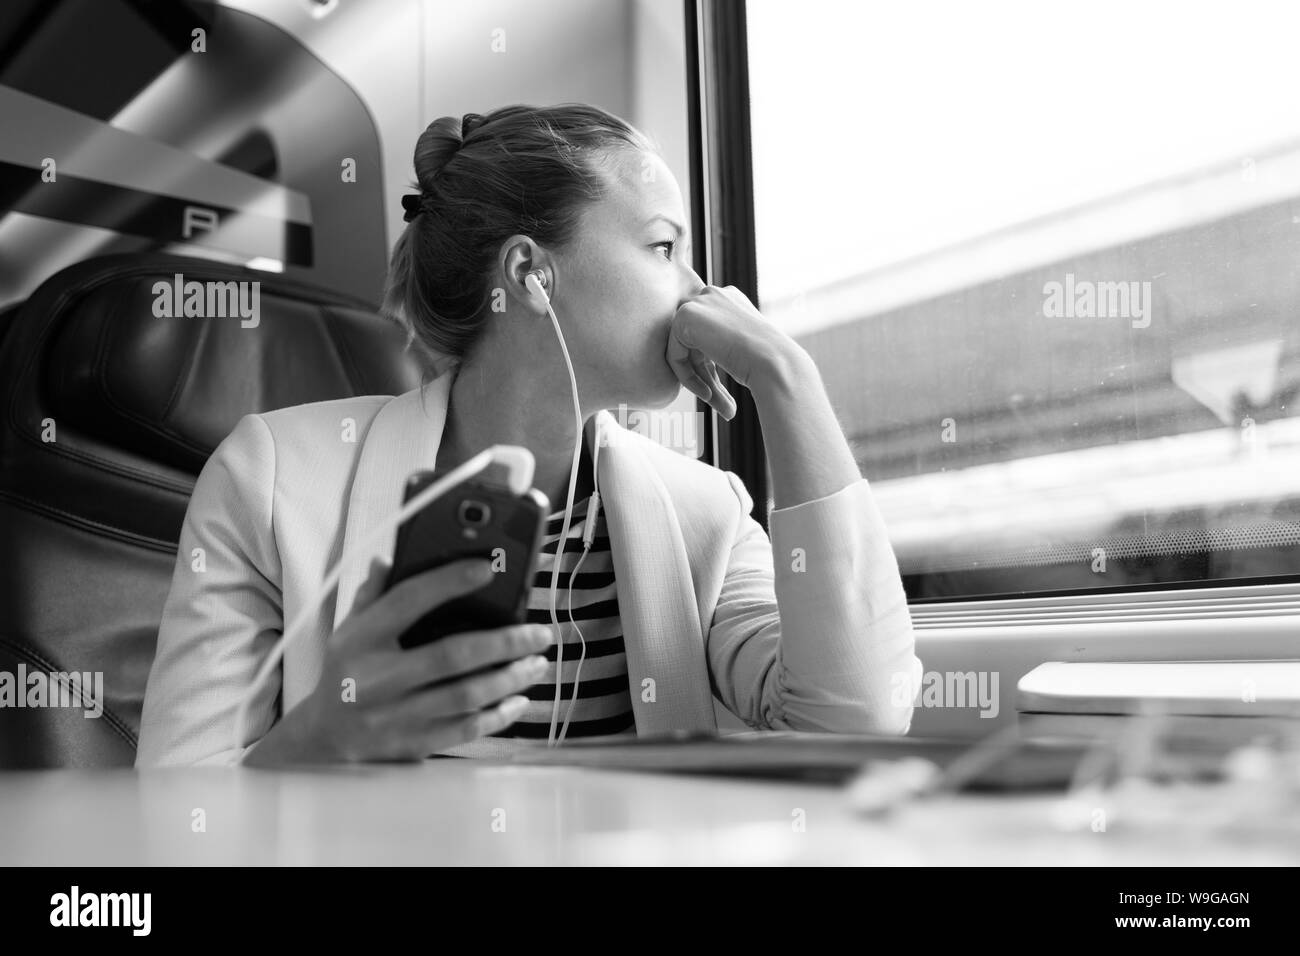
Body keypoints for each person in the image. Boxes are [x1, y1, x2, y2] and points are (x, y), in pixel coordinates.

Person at [135, 103, 922, 767]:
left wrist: (788, 381)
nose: (705, 291)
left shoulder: (704, 512)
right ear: (529, 273)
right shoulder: (269, 480)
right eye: (664, 248)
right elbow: (166, 833)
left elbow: (853, 725)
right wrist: (325, 739)